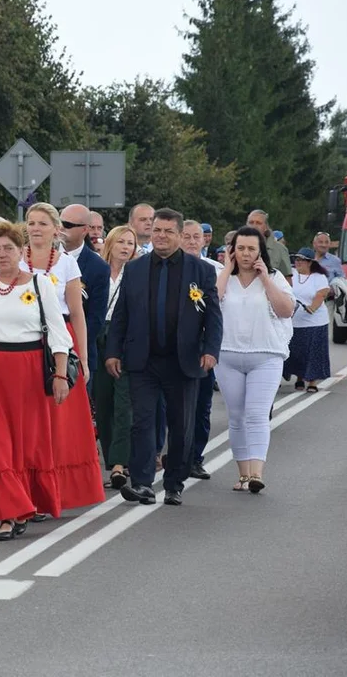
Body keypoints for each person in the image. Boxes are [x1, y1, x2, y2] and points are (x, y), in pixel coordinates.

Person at [0, 221, 72, 540]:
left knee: (26, 443)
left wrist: (60, 375)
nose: (2, 254)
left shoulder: (40, 283)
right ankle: (8, 515)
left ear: (22, 251)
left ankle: (26, 505)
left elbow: (59, 335)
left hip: (30, 370)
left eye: (8, 248)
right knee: (0, 446)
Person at [106, 208, 222, 506]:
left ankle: (174, 482)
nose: (161, 236)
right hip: (143, 360)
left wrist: (210, 350)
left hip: (183, 360)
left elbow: (213, 316)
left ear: (180, 236)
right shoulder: (135, 269)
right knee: (142, 422)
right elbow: (121, 315)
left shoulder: (201, 271)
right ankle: (143, 483)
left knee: (180, 424)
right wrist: (113, 352)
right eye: (157, 230)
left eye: (168, 231)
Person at [20, 203, 103, 513]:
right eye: (31, 222)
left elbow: (78, 314)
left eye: (43, 222)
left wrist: (81, 358)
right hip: (22, 342)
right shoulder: (16, 259)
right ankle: (28, 491)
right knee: (30, 424)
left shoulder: (67, 264)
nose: (36, 227)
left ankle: (57, 493)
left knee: (59, 423)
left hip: (58, 341)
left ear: (56, 229)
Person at [214, 227, 294, 493]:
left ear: (261, 252)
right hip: (228, 356)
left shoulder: (274, 277)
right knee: (236, 417)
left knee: (257, 415)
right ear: (232, 250)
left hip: (266, 356)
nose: (246, 254)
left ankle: (257, 473)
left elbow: (286, 310)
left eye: (251, 249)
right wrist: (226, 268)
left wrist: (266, 280)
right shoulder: (222, 276)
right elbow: (212, 303)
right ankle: (244, 474)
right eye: (241, 248)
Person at [93, 226, 136, 488]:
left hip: (124, 338)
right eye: (120, 241)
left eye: (130, 243)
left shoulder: (136, 274)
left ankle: (121, 464)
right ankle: (111, 459)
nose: (125, 247)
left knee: (124, 403)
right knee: (103, 402)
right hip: (98, 336)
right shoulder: (98, 271)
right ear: (110, 243)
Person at [181, 221, 223, 479]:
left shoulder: (211, 270)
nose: (192, 241)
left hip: (199, 349)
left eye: (197, 237)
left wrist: (211, 350)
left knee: (201, 407)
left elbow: (215, 316)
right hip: (170, 350)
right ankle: (170, 455)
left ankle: (195, 457)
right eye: (187, 236)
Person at [61, 203, 111, 393]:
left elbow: (96, 318)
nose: (60, 228)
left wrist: (68, 344)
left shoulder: (98, 267)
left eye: (67, 225)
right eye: (59, 222)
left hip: (76, 352)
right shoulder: (42, 257)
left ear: (84, 230)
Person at [284, 248, 331, 394]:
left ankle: (312, 381)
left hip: (315, 321)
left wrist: (313, 307)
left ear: (310, 262)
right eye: (296, 259)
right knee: (297, 351)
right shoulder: (291, 274)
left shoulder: (319, 277)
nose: (297, 262)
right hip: (294, 321)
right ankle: (299, 377)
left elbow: (322, 294)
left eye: (301, 260)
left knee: (313, 352)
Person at [247, 210, 292, 281]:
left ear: (266, 227)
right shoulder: (237, 247)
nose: (254, 226)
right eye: (251, 222)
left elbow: (287, 280)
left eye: (258, 223)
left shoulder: (280, 249)